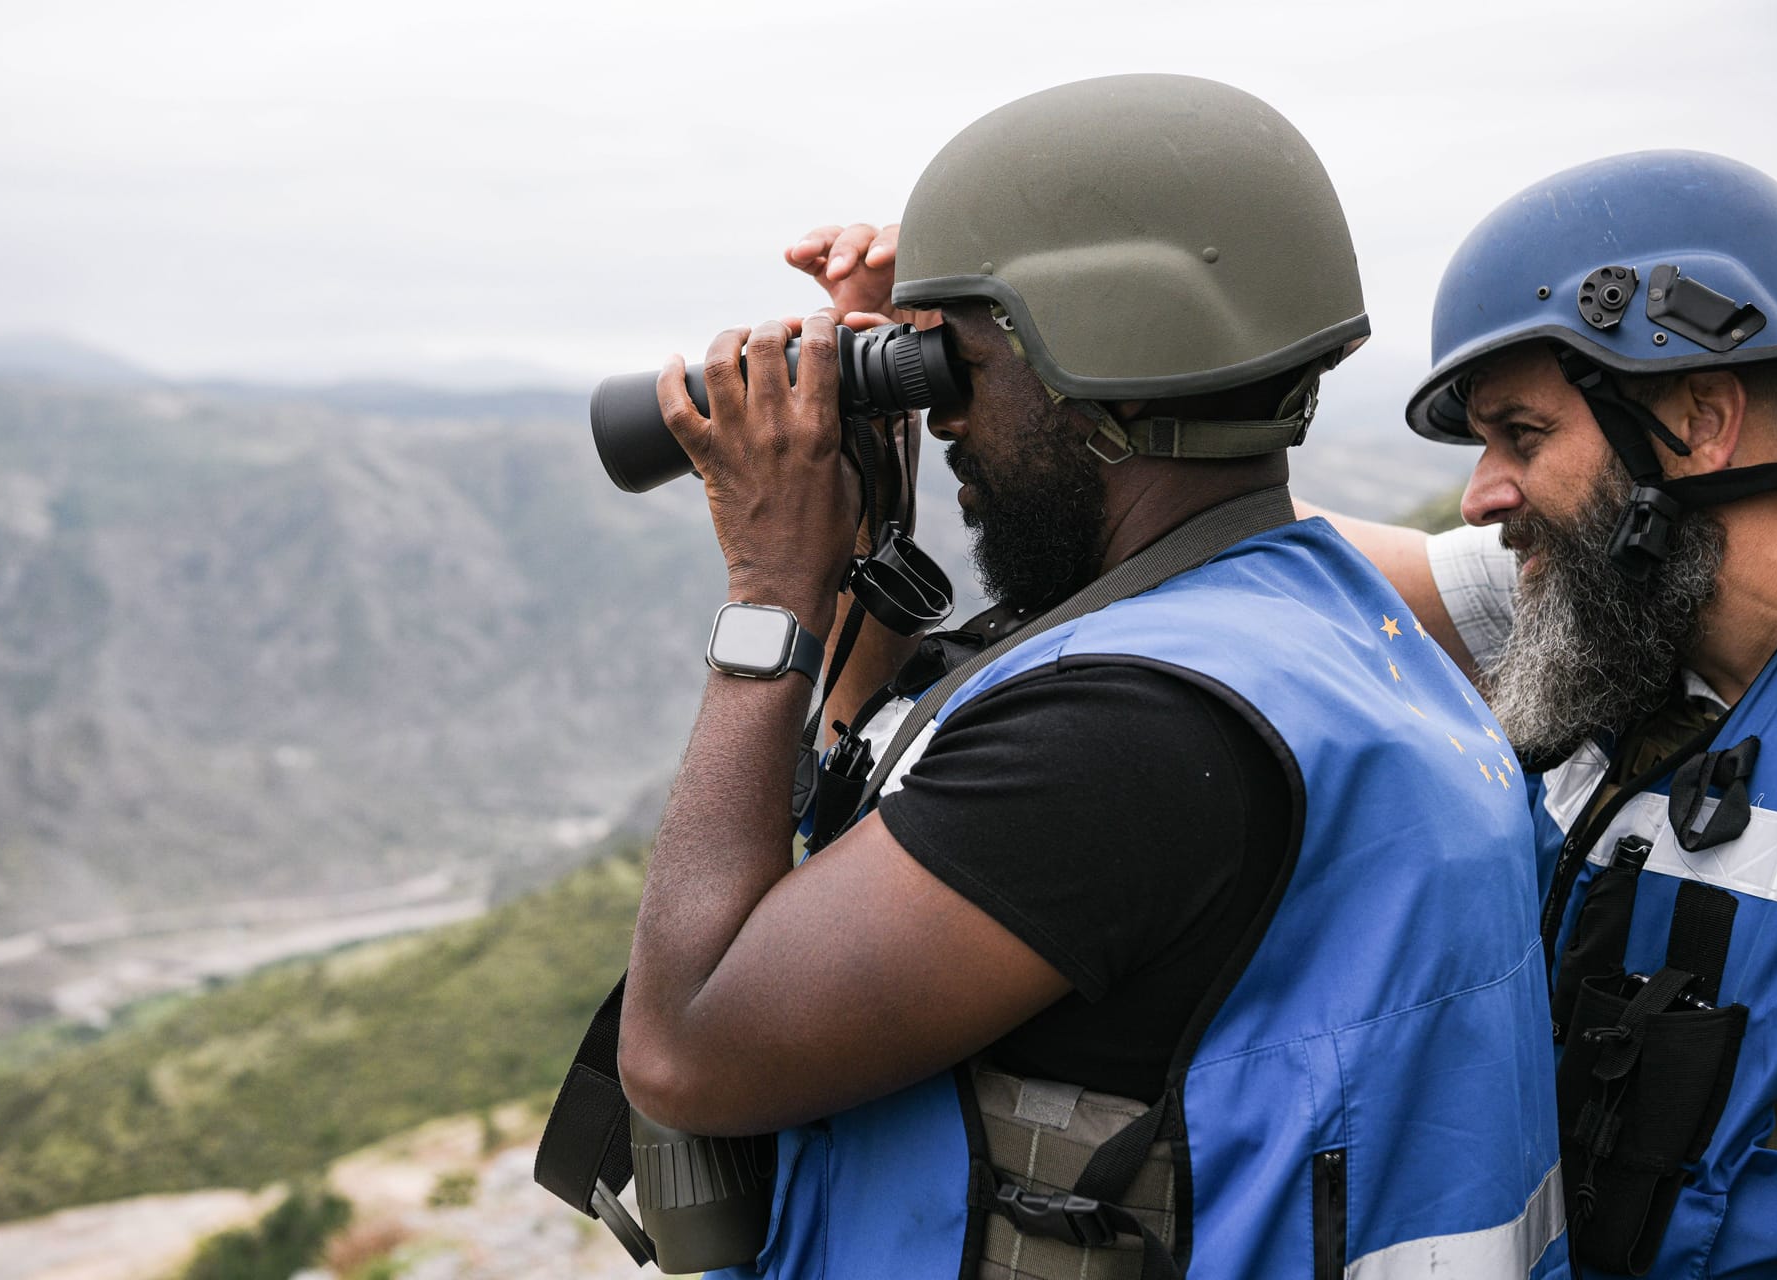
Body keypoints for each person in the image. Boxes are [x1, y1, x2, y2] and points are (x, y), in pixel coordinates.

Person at [609, 75, 1566, 1278]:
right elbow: (863, 776)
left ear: (1096, 355)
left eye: (956, 361)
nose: (942, 415)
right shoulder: (1328, 626)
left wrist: (769, 591)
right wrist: (857, 537)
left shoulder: (1128, 737)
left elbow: (686, 1047)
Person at [1300, 151, 1777, 1278]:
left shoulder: (1608, 588)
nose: (1481, 496)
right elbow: (1281, 543)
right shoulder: (1602, 610)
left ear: (1699, 420)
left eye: (1521, 435)